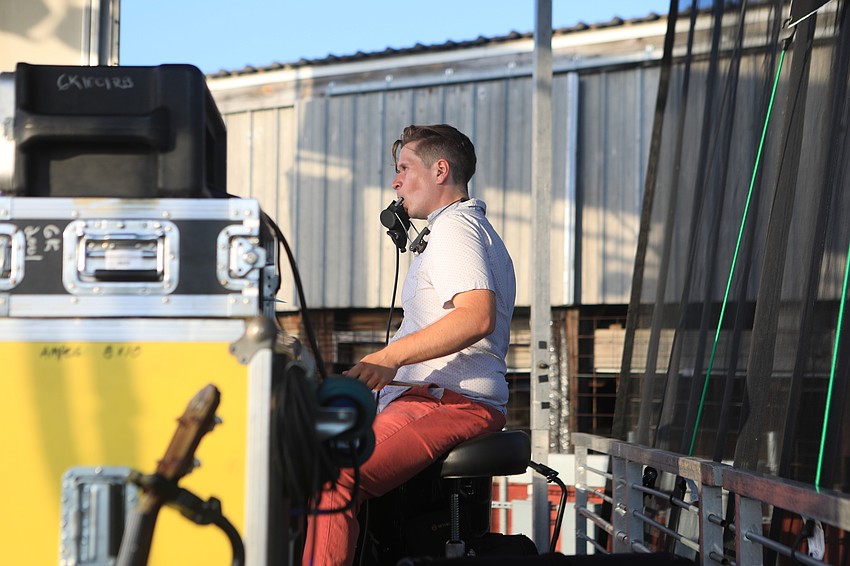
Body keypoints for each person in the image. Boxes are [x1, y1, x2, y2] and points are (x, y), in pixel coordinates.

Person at [303, 124, 516, 566]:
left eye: (404, 168)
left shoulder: (457, 229)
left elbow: (476, 316)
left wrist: (389, 358)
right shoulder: (457, 230)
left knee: (337, 475)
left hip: (452, 401)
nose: (395, 182)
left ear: (440, 170)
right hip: (435, 397)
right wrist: (371, 370)